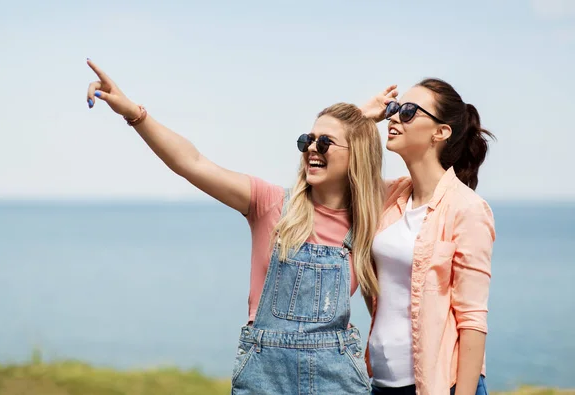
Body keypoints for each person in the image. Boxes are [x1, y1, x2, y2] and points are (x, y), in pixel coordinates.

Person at [85, 59, 390, 394]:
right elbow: (191, 162)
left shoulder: (373, 215)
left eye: (324, 143)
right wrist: (134, 113)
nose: (311, 150)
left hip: (337, 380)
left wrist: (361, 122)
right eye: (307, 140)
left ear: (357, 152)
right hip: (265, 380)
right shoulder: (270, 204)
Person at [360, 78, 496, 395]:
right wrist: (363, 116)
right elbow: (330, 167)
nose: (393, 117)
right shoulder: (389, 196)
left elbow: (472, 320)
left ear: (440, 132)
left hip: (438, 386)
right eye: (394, 108)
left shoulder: (467, 209)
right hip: (381, 384)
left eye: (407, 111)